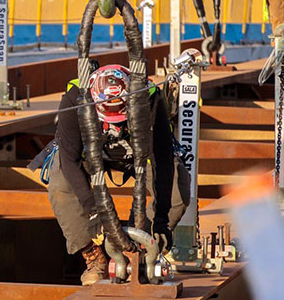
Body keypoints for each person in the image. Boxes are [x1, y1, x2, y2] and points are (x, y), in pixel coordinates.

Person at [42, 64, 190, 285]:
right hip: (92, 154)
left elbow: (163, 161)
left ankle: (140, 248)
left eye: (121, 122)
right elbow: (70, 161)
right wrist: (93, 213)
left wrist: (160, 218)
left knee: (179, 185)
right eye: (111, 123)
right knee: (60, 184)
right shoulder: (74, 100)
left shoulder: (151, 100)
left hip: (141, 155)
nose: (116, 129)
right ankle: (94, 258)